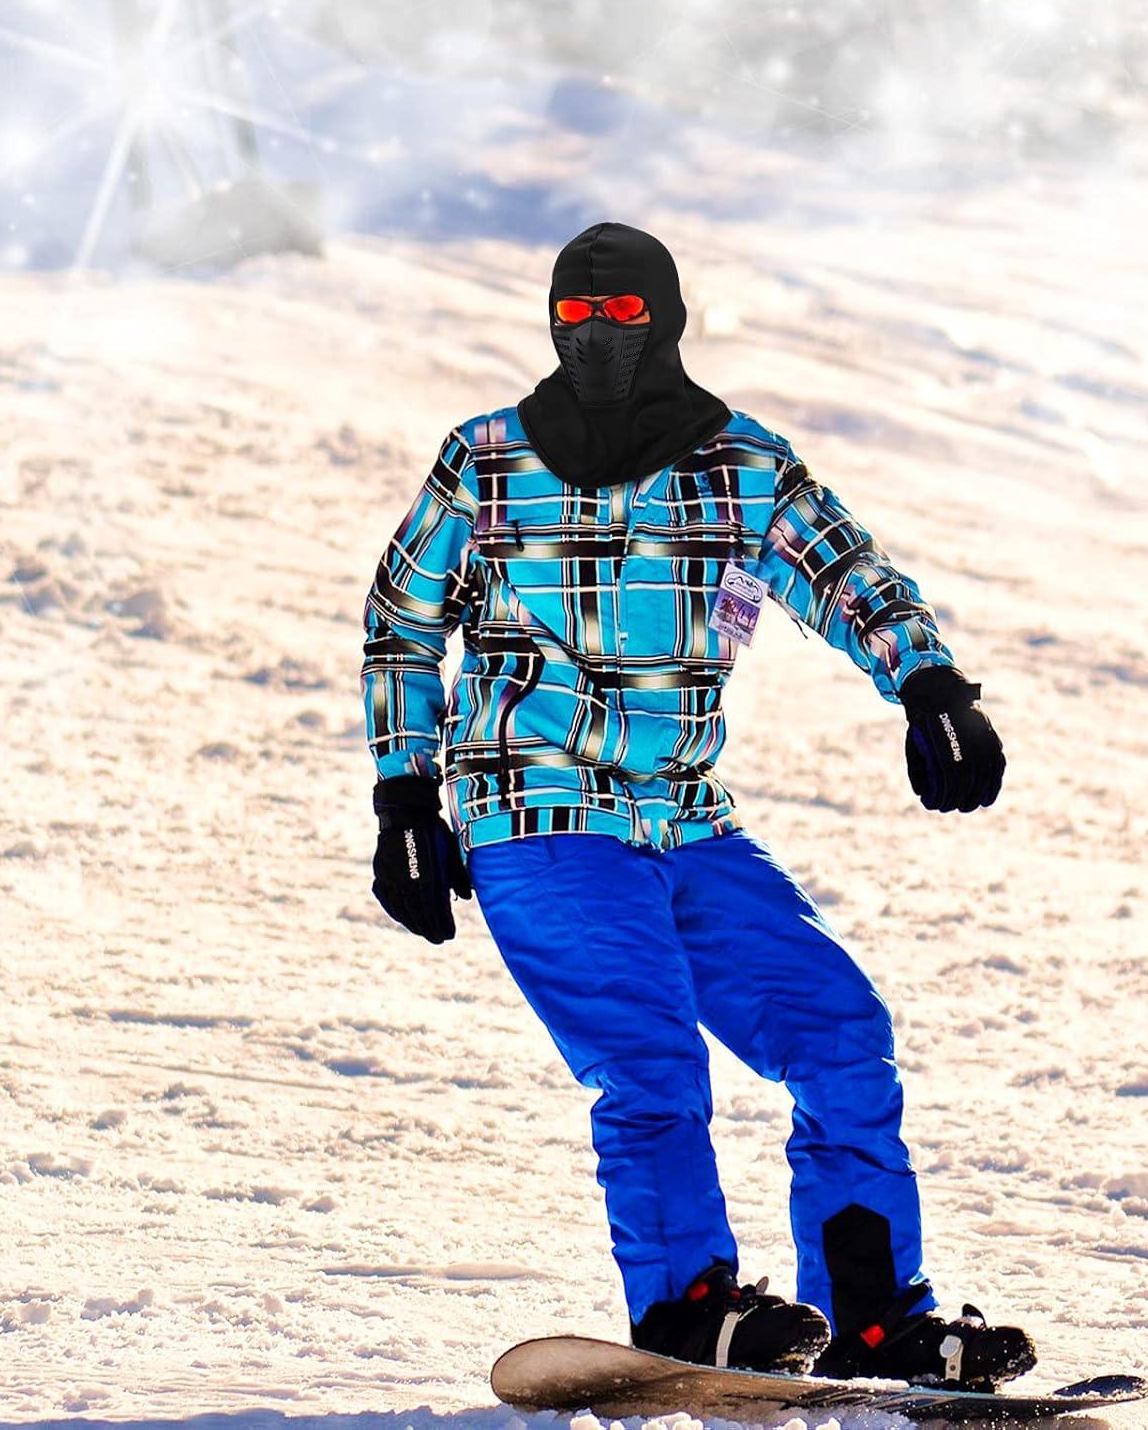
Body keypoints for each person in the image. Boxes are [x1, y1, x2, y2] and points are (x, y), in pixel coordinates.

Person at [361, 222, 1033, 1388]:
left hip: (686, 820)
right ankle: (685, 1311)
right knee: (653, 1062)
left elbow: (848, 576)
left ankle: (869, 1313)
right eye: (575, 318)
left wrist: (930, 686)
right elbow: (405, 627)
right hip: (542, 814)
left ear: (666, 320)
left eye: (623, 317)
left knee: (840, 1036)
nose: (600, 339)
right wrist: (405, 796)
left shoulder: (741, 465)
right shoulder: (485, 460)